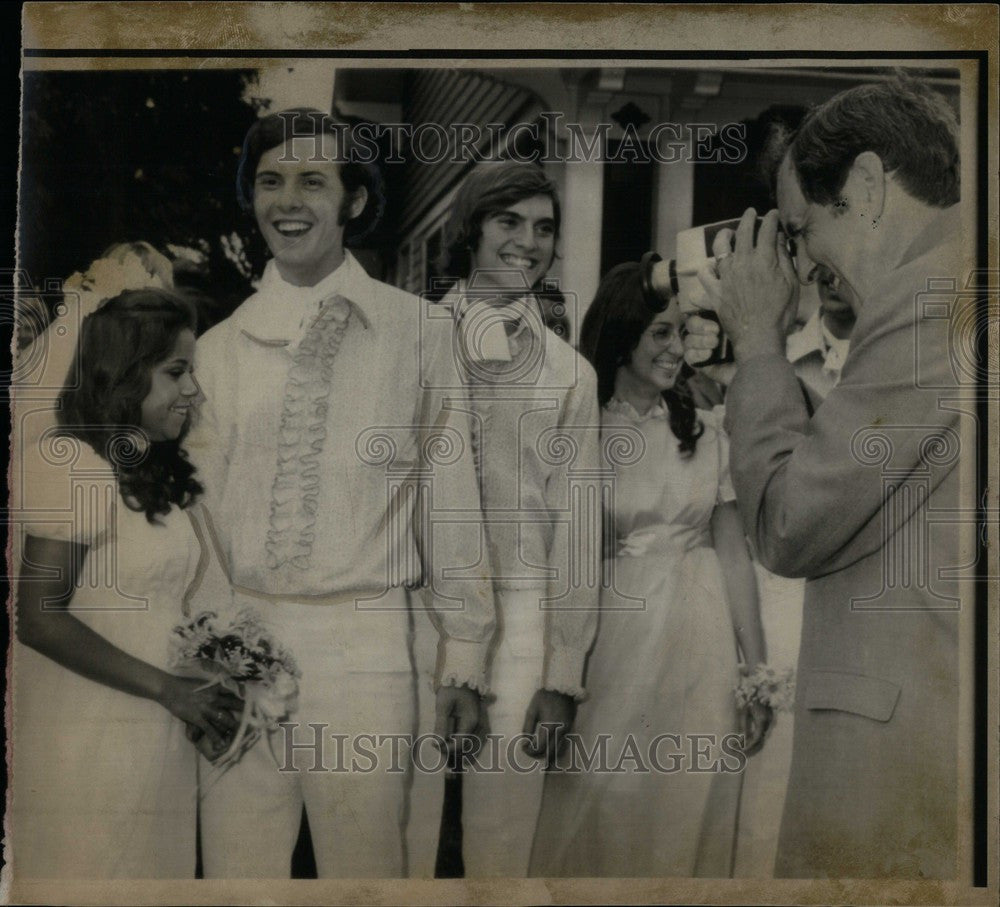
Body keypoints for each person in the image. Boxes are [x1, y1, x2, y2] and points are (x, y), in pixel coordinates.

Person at [184, 109, 495, 879]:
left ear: (354, 199)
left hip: (367, 647)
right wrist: (212, 649)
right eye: (270, 181)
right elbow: (200, 517)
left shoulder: (420, 333)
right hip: (240, 643)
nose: (287, 201)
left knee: (367, 874)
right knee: (236, 873)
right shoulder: (219, 348)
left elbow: (449, 501)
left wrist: (464, 656)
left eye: (312, 181)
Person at [683, 76, 965, 878]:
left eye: (803, 230)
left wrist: (760, 344)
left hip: (905, 758)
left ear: (870, 186)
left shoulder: (934, 294)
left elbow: (787, 522)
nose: (805, 264)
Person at [530, 261, 771, 878]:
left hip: (702, 633)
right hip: (617, 635)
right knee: (609, 797)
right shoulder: (581, 432)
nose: (674, 348)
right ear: (622, 335)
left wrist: (754, 670)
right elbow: (566, 556)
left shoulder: (705, 432)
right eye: (659, 334)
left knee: (689, 798)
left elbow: (735, 554)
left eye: (678, 332)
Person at [411, 160, 602, 877]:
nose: (528, 241)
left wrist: (563, 670)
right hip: (414, 612)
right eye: (509, 222)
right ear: (471, 229)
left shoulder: (568, 373)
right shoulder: (411, 341)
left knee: (501, 841)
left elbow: (578, 531)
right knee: (402, 831)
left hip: (526, 618)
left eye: (544, 228)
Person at [11, 287, 240, 879]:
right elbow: (37, 617)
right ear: (124, 375)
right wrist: (168, 688)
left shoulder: (147, 470)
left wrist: (201, 689)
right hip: (86, 725)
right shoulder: (72, 464)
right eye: (176, 372)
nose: (193, 390)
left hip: (154, 726)